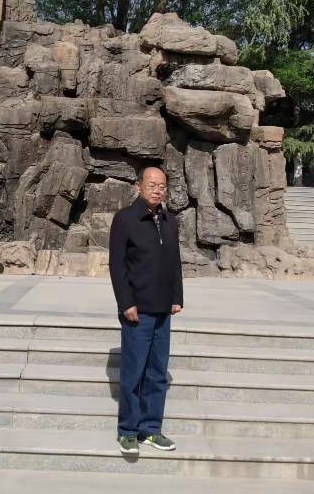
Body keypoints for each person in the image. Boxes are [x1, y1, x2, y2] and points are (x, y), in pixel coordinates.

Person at [108, 165, 184, 455]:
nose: (157, 189)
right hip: (137, 311)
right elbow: (117, 265)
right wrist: (125, 302)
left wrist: (177, 296)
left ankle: (151, 429)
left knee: (157, 373)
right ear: (138, 186)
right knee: (134, 372)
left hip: (163, 309)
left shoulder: (170, 220)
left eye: (162, 185)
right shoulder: (125, 219)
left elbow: (175, 262)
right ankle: (127, 430)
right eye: (152, 184)